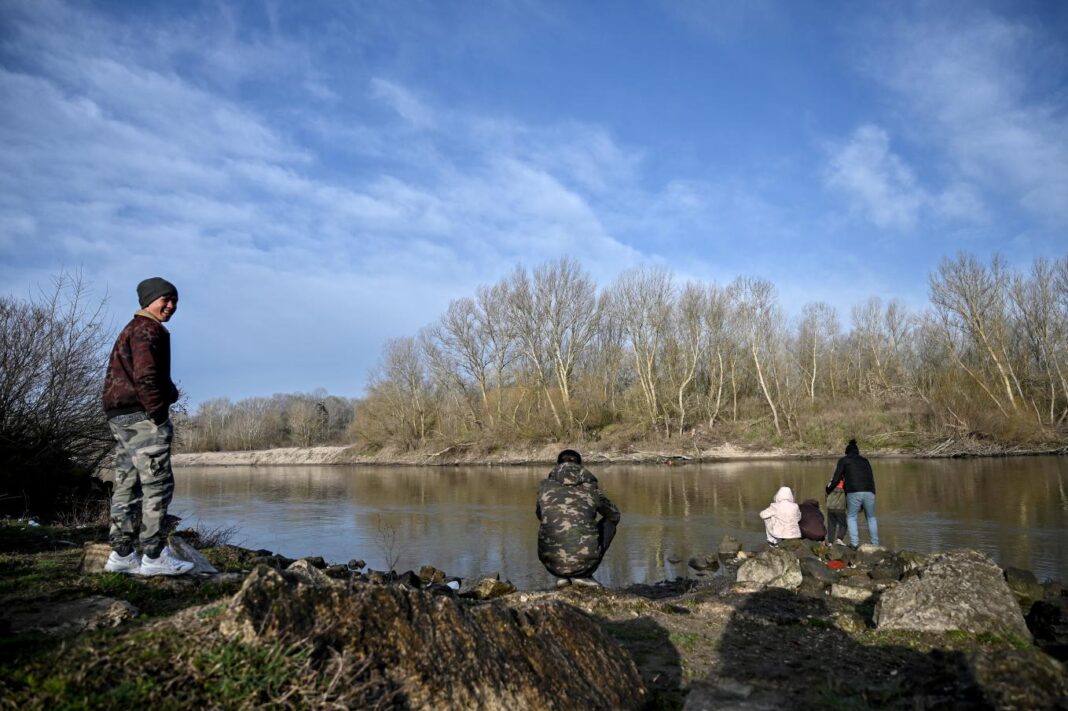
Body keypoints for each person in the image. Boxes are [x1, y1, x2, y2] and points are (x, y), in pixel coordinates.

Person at [100, 277, 193, 576]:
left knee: (127, 483)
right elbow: (146, 375)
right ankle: (153, 557)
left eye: (174, 301)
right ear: (148, 301)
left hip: (120, 415)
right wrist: (158, 413)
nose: (171, 305)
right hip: (141, 417)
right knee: (158, 484)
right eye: (165, 299)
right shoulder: (147, 329)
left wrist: (169, 392)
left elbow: (143, 374)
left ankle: (122, 554)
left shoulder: (131, 329)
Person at [536, 450, 620, 588]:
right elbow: (614, 515)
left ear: (557, 465)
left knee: (548, 521)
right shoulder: (591, 488)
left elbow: (540, 515)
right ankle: (583, 575)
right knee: (610, 522)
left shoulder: (544, 488)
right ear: (580, 465)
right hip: (585, 563)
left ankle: (562, 576)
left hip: (551, 564)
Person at [826, 438, 879, 548]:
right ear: (857, 451)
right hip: (870, 491)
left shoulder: (844, 460)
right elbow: (871, 477)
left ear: (847, 452)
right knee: (871, 517)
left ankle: (854, 543)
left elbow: (836, 478)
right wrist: (872, 492)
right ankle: (875, 543)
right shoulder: (865, 461)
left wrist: (829, 489)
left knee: (851, 517)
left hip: (854, 491)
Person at [825, 475, 848, 544]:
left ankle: (830, 542)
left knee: (831, 525)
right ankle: (839, 538)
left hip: (830, 507)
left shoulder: (831, 483)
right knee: (843, 524)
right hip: (840, 508)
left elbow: (826, 491)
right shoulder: (845, 483)